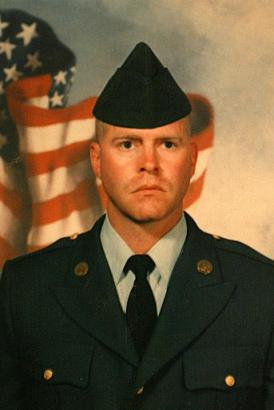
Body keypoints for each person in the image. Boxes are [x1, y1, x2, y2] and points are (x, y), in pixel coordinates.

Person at [0, 42, 273, 410]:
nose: (149, 163)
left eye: (167, 144)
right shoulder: (26, 290)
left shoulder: (259, 291)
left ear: (192, 158)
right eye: (127, 144)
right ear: (96, 159)